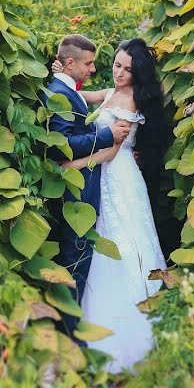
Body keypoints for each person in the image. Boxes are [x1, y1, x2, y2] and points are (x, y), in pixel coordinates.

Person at [52, 38, 169, 372]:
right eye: (116, 65)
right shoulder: (110, 92)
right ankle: (87, 329)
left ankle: (130, 334)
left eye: (127, 69)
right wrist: (61, 72)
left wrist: (70, 167)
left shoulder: (133, 101)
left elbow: (113, 151)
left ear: (138, 74)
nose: (118, 73)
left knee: (123, 242)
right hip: (99, 173)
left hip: (117, 174)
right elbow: (79, 95)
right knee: (99, 240)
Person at [44, 34, 130, 340]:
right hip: (75, 191)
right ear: (70, 63)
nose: (94, 69)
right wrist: (107, 136)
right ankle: (68, 336)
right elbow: (62, 145)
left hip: (85, 184)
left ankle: (70, 328)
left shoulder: (66, 88)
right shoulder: (60, 94)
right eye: (89, 63)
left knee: (78, 259)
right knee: (74, 260)